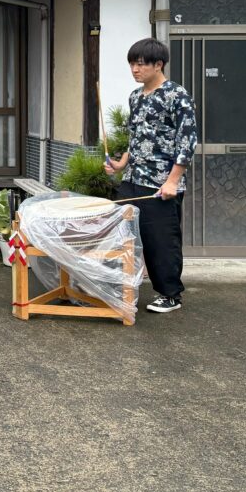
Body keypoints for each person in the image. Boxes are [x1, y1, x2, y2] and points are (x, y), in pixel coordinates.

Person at [104, 39, 198, 314]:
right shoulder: (136, 97)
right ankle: (120, 286)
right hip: (133, 178)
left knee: (160, 240)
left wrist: (171, 181)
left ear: (159, 64)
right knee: (120, 234)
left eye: (141, 64)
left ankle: (170, 294)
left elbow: (188, 141)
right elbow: (136, 138)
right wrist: (121, 164)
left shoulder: (176, 95)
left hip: (161, 184)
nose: (135, 69)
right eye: (132, 64)